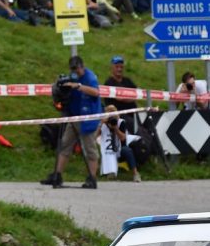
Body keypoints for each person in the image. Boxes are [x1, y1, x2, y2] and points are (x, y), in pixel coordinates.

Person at [41, 56, 102, 189]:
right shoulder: (72, 78)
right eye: (73, 69)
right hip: (74, 117)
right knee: (64, 145)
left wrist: (78, 86)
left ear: (82, 66)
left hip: (88, 119)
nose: (76, 71)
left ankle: (92, 178)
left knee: (90, 149)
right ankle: (57, 175)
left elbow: (96, 92)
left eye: (77, 68)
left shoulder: (90, 77)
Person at [99, 105, 140, 183]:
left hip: (120, 148)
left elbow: (123, 138)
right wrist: (101, 124)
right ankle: (110, 172)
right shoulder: (103, 123)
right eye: (109, 113)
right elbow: (94, 136)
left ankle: (135, 174)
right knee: (106, 152)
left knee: (127, 151)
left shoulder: (120, 122)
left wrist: (115, 128)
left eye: (113, 113)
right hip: (108, 149)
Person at [103, 55, 138, 129]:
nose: (119, 69)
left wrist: (130, 97)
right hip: (117, 116)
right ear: (112, 68)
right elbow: (120, 98)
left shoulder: (127, 81)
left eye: (121, 67)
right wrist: (131, 96)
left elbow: (137, 94)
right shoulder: (109, 83)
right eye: (117, 67)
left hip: (132, 114)